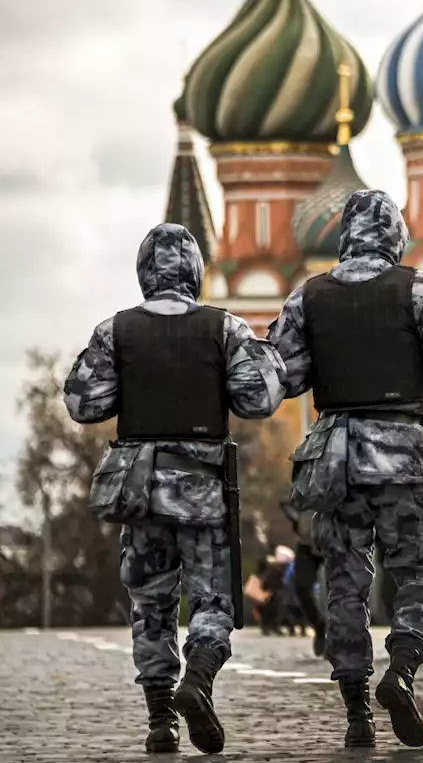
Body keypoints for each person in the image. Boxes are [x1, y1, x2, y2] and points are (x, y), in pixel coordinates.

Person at [269, 189, 423, 749]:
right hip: (403, 454)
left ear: (345, 234)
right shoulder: (420, 290)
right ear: (395, 235)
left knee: (344, 583)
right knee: (418, 571)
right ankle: (403, 670)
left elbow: (281, 379)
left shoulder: (307, 297)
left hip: (335, 457)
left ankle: (357, 713)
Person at [63, 223, 286, 754]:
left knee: (150, 604)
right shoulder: (224, 328)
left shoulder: (115, 330)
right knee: (212, 598)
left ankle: (160, 719)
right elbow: (259, 400)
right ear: (195, 271)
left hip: (138, 490)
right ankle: (199, 682)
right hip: (203, 485)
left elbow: (82, 404)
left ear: (144, 274)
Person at [281, 500, 327, 656]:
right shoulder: (304, 475)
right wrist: (296, 520)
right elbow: (286, 500)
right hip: (307, 542)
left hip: (336, 540)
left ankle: (339, 636)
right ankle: (320, 627)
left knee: (341, 590)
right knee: (301, 586)